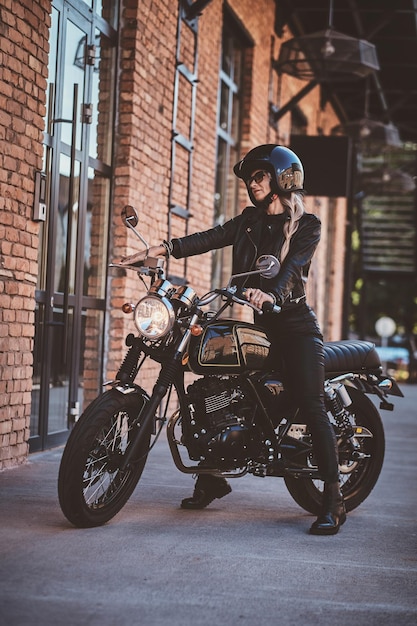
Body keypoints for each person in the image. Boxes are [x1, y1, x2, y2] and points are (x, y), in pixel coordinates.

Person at [123, 144, 346, 535]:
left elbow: (292, 269)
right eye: (250, 179)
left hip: (294, 325)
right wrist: (160, 249)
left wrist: (271, 294)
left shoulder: (307, 224)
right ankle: (213, 475)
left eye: (259, 176)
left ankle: (332, 496)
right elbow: (211, 237)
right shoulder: (248, 220)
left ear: (280, 179)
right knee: (215, 383)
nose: (253, 184)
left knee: (310, 403)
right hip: (261, 324)